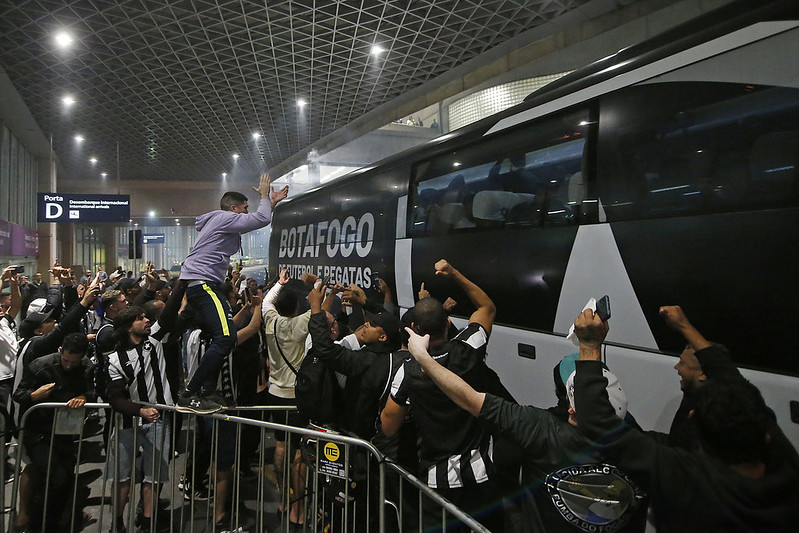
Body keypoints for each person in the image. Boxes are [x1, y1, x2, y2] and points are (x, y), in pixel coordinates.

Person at [401, 324, 648, 532]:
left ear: (571, 408)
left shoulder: (540, 430)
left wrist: (423, 358)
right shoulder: (647, 450)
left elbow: (469, 398)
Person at [572, 309, 799, 532]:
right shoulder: (786, 467)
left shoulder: (687, 481)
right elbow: (729, 375)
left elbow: (596, 422)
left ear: (697, 436)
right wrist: (684, 327)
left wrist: (590, 344)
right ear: (766, 432)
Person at [380, 259, 510, 532]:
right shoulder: (469, 348)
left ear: (414, 329)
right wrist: (453, 273)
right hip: (482, 475)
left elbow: (388, 426)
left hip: (438, 482)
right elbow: (486, 307)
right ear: (449, 323)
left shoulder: (409, 371)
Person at [176, 173, 288, 414]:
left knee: (219, 337)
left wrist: (272, 204)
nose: (247, 214)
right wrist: (265, 197)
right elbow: (260, 219)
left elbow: (258, 217)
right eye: (245, 209)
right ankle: (189, 393)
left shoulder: (221, 220)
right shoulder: (225, 218)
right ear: (233, 208)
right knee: (227, 338)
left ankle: (207, 390)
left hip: (203, 284)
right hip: (203, 283)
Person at [104, 280, 186, 533]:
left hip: (158, 419)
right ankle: (117, 522)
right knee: (123, 480)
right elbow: (115, 397)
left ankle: (148, 522)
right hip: (128, 423)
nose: (147, 320)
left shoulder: (155, 342)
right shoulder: (114, 360)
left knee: (153, 477)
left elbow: (171, 310)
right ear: (129, 326)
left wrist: (184, 281)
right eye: (140, 318)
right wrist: (139, 410)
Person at [12, 332, 96, 531]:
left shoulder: (86, 367)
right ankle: (42, 521)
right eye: (65, 360)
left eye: (73, 362)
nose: (68, 366)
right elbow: (19, 394)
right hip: (37, 432)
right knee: (55, 475)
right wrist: (34, 395)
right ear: (60, 351)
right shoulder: (40, 366)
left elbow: (92, 392)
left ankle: (58, 519)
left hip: (65, 431)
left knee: (66, 474)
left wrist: (84, 397)